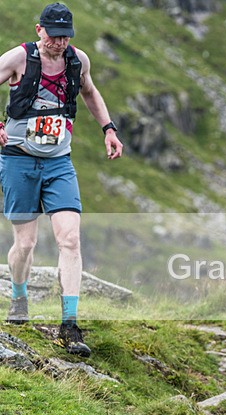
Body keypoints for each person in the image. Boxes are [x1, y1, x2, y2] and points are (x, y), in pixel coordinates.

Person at [0, 3, 123, 356]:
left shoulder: (77, 60)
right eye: (53, 34)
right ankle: (19, 296)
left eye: (65, 35)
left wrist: (108, 129)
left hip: (58, 163)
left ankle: (69, 325)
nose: (59, 41)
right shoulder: (19, 59)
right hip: (18, 161)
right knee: (25, 245)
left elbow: (90, 91)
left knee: (70, 239)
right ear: (39, 30)